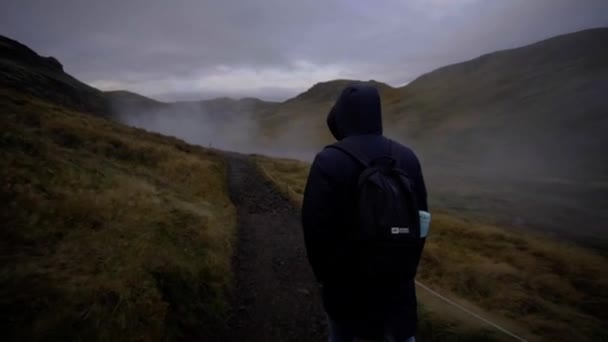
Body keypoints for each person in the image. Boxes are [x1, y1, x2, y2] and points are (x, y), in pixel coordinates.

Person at [301, 84, 428, 342]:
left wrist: (326, 281)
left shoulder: (329, 160)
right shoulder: (408, 158)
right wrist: (405, 269)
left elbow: (315, 230)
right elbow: (422, 222)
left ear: (343, 116)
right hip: (399, 295)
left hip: (347, 298)